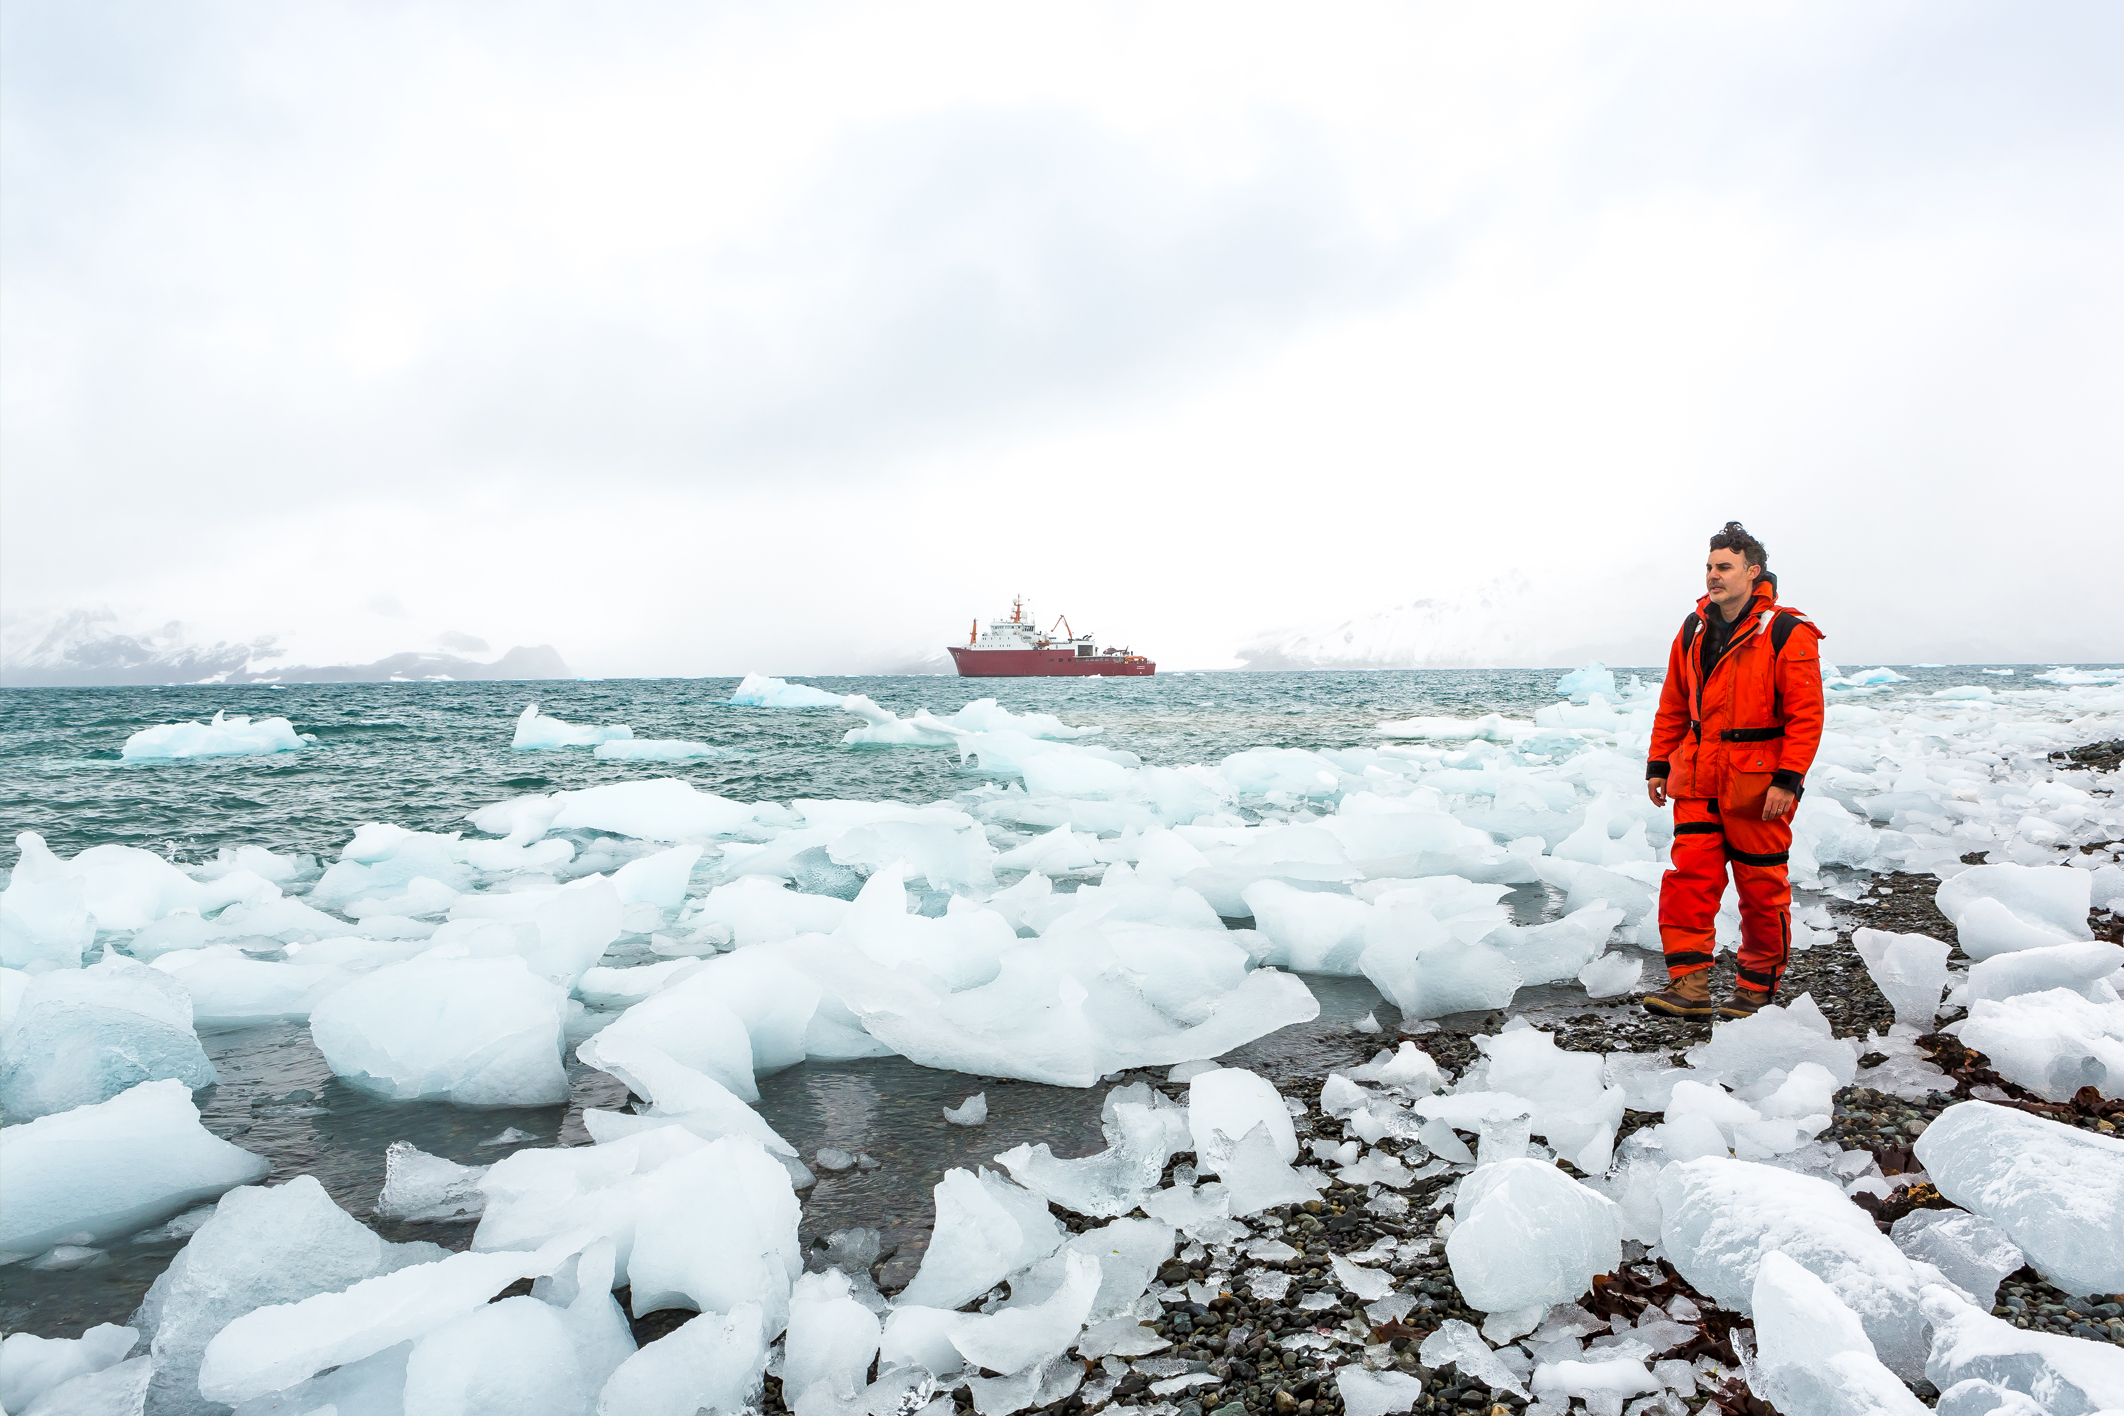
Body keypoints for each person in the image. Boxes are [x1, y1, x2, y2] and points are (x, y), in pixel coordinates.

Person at [1642, 522, 1825, 1020]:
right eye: (1708, 567)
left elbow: (1807, 716)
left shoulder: (1787, 631)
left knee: (1761, 889)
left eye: (1723, 567)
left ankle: (1755, 989)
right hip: (1698, 775)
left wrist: (1789, 779)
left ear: (1752, 571)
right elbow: (1674, 703)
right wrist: (1659, 762)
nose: (1712, 577)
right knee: (1688, 881)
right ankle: (1689, 986)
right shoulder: (1694, 628)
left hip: (1757, 781)